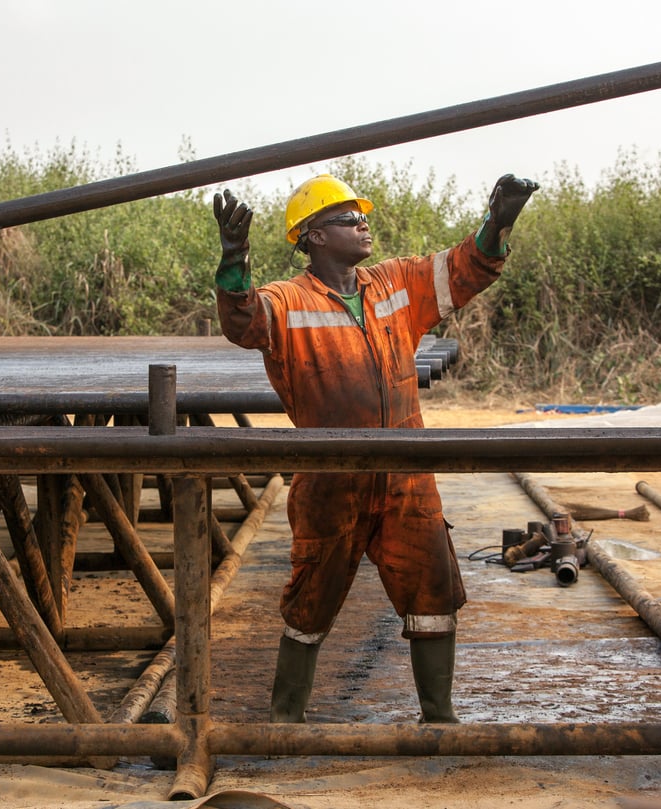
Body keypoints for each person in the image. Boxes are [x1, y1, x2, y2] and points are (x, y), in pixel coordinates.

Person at [212, 172, 539, 723]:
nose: (362, 224)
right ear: (312, 237)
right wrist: (233, 259)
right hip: (330, 479)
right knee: (309, 600)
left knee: (433, 594)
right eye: (346, 218)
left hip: (407, 475)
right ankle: (284, 724)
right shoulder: (287, 301)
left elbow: (465, 268)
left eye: (362, 215)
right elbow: (243, 322)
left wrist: (499, 219)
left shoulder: (394, 285)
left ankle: (439, 720)